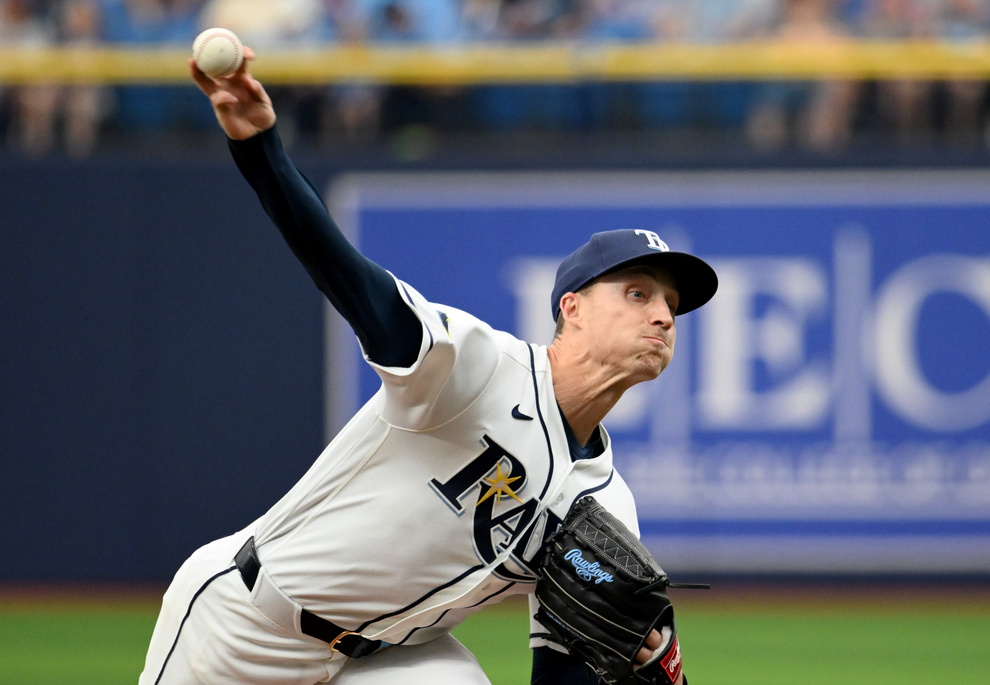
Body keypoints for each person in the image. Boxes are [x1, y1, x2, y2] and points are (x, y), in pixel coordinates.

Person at [139, 44, 718, 685]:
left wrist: (650, 677)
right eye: (638, 294)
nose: (663, 317)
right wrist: (262, 151)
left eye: (670, 304)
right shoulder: (477, 368)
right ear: (572, 308)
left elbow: (563, 672)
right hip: (246, 622)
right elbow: (352, 280)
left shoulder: (606, 502)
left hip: (391, 659)